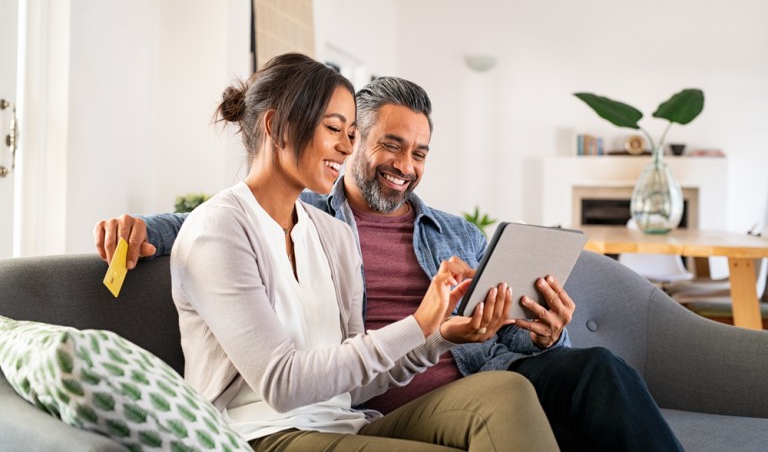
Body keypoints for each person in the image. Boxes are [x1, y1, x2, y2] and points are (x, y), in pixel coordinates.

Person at [96, 75, 683, 451]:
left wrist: (531, 335)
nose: (403, 163)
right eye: (382, 142)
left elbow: (484, 338)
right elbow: (222, 224)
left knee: (570, 375)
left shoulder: (350, 235)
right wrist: (143, 230)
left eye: (420, 152)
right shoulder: (259, 221)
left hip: (423, 388)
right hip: (292, 420)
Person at [161, 52, 558, 451]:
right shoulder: (218, 231)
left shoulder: (332, 235)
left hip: (344, 422)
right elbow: (281, 384)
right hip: (259, 435)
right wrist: (418, 323)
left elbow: (360, 381)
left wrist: (440, 336)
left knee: (507, 390)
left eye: (352, 132)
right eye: (334, 128)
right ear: (276, 126)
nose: (347, 146)